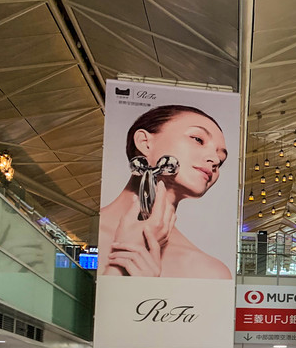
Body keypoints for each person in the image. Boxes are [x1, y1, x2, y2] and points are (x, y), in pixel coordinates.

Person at [97, 105, 231, 279]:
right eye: (198, 139)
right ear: (145, 143)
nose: (214, 160)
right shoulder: (82, 234)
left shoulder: (210, 271)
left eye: (221, 160)